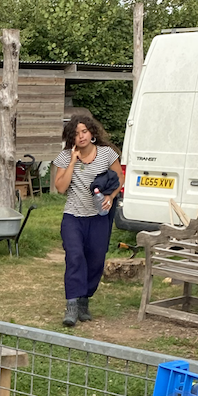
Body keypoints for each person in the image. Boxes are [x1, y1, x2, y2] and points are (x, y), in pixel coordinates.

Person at [52, 113, 124, 328]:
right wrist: (73, 161)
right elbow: (61, 187)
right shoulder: (65, 157)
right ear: (71, 137)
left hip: (99, 217)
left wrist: (110, 198)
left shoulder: (106, 154)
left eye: (84, 131)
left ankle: (84, 300)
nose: (81, 136)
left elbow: (119, 178)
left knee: (95, 260)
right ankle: (72, 305)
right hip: (73, 216)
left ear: (91, 132)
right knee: (74, 256)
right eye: (76, 133)